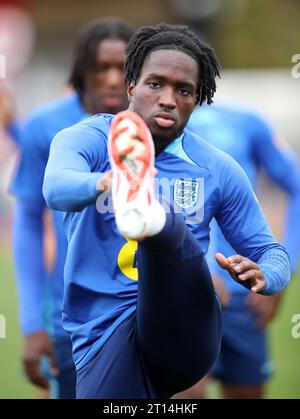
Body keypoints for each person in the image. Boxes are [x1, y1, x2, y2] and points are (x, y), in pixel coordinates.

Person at [43, 23, 290, 399]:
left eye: (184, 90)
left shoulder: (217, 168)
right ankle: (146, 205)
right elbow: (56, 188)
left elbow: (273, 255)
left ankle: (153, 217)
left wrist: (264, 276)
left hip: (184, 327)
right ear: (131, 87)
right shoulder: (87, 140)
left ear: (198, 100)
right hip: (103, 332)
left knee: (172, 236)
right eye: (155, 84)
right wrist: (108, 182)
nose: (168, 99)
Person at [11, 18, 134, 399]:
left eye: (124, 68)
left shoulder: (156, 125)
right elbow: (29, 221)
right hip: (70, 315)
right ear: (81, 71)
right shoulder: (45, 126)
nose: (113, 79)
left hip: (142, 311)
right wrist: (34, 324)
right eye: (102, 68)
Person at [174, 104, 300, 399]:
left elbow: (296, 186)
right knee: (185, 392)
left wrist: (283, 267)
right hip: (181, 293)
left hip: (243, 295)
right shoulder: (146, 130)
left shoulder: (247, 123)